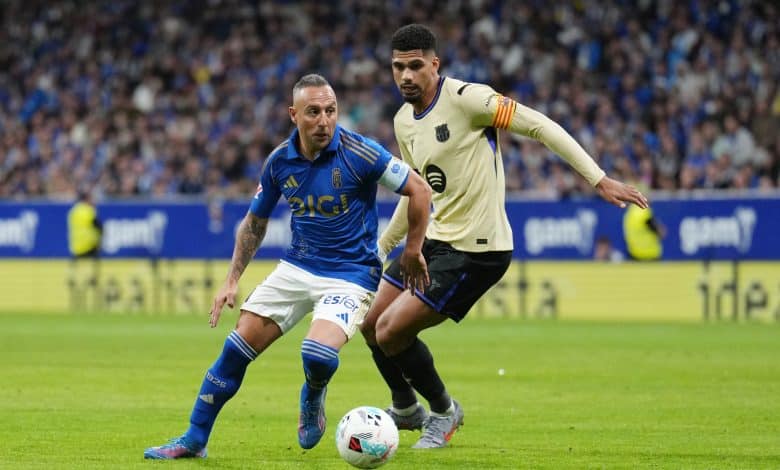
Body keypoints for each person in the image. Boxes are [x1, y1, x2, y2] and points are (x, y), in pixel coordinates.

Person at [360, 24, 649, 449]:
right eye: (398, 67)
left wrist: (598, 178)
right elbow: (417, 192)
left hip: (478, 249)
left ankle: (443, 411)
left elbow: (539, 125)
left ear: (435, 64)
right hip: (436, 239)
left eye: (415, 66)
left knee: (390, 331)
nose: (405, 75)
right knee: (370, 324)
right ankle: (405, 408)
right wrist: (382, 247)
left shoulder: (468, 100)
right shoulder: (404, 121)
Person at [144, 74, 432, 459]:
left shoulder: (361, 153)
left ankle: (313, 392)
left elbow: (419, 189)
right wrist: (231, 280)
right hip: (296, 267)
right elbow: (255, 223)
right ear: (294, 115)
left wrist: (412, 249)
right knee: (235, 350)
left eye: (330, 111)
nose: (324, 121)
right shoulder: (279, 161)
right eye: (313, 112)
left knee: (317, 354)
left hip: (351, 275)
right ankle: (194, 439)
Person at [67, 190, 102, 258]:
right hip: (88, 244)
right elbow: (98, 226)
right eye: (91, 199)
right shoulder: (88, 210)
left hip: (75, 245)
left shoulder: (73, 210)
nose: (93, 201)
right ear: (87, 199)